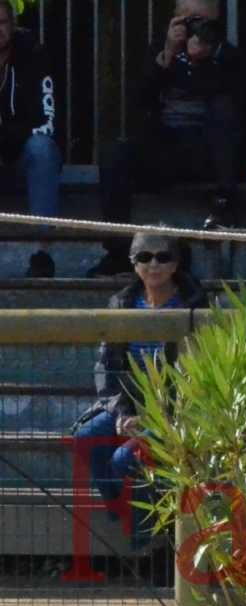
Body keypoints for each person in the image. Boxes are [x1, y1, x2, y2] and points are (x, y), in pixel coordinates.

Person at [90, 2, 246, 276]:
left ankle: (223, 213)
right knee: (114, 153)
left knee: (223, 110)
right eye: (191, 21)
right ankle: (117, 251)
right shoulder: (162, 50)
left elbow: (237, 106)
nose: (198, 29)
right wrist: (168, 55)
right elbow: (140, 99)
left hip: (209, 154)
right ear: (177, 20)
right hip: (165, 149)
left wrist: (202, 61)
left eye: (205, 22)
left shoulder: (229, 57)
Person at [71, 230, 207, 548]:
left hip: (176, 408)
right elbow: (106, 366)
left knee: (124, 459)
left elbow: (199, 370)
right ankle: (124, 513)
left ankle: (146, 542)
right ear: (134, 264)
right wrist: (122, 412)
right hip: (129, 402)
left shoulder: (195, 306)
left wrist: (163, 413)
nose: (154, 264)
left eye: (163, 257)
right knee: (86, 438)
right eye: (144, 257)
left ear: (176, 264)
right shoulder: (121, 303)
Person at [0, 0, 62, 278]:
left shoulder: (33, 53)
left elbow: (46, 122)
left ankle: (42, 253)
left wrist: (8, 136)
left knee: (43, 149)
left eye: (1, 23)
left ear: (12, 26)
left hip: (20, 155)